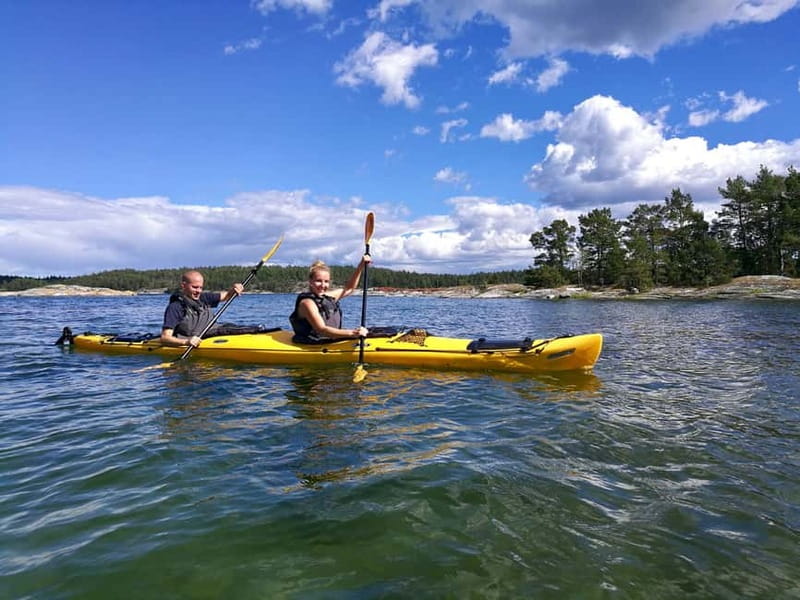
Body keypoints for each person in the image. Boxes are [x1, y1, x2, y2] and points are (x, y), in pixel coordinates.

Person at [290, 254, 371, 343]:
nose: (323, 285)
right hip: (313, 344)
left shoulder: (328, 297)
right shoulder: (307, 303)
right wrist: (353, 333)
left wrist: (361, 265)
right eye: (318, 281)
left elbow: (349, 289)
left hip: (330, 341)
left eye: (326, 281)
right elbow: (321, 329)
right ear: (310, 281)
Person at [161, 270, 244, 348]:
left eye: (201, 287)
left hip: (213, 331)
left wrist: (234, 289)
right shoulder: (175, 307)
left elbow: (227, 296)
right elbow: (165, 338)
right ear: (183, 285)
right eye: (195, 287)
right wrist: (186, 342)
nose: (199, 291)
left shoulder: (204, 298)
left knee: (238, 328)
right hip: (193, 338)